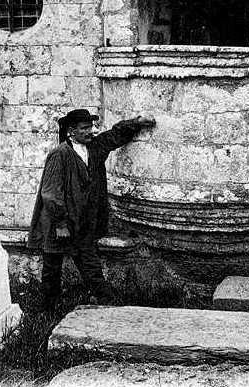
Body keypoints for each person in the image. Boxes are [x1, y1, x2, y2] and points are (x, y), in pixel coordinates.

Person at [27, 108, 155, 315]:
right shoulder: (60, 154)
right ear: (71, 131)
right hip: (57, 223)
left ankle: (108, 303)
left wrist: (137, 122)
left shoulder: (94, 148)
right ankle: (46, 314)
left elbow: (115, 135)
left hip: (82, 222)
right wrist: (60, 224)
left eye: (92, 127)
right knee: (52, 269)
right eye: (85, 128)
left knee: (90, 262)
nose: (91, 131)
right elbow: (50, 193)